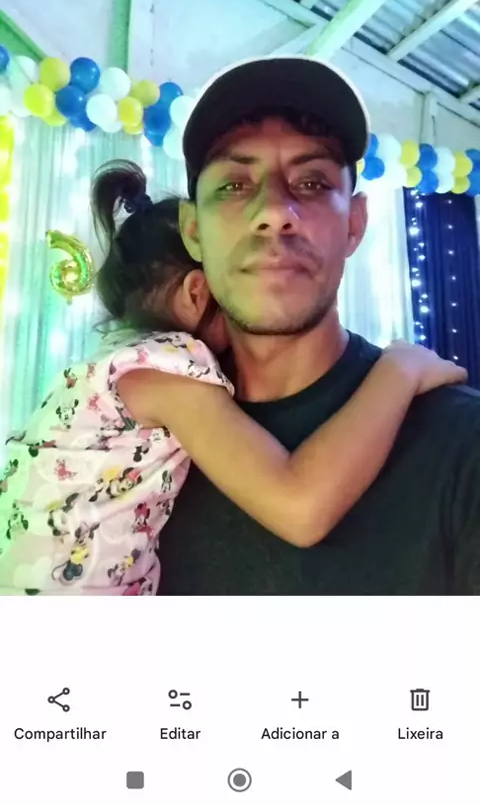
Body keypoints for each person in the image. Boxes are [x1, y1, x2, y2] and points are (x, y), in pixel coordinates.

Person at [0, 158, 464, 595]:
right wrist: (399, 370)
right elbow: (300, 506)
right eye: (237, 288)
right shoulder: (167, 370)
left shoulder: (104, 369)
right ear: (197, 291)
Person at [154, 54, 480, 595]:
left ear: (355, 223)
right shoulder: (130, 448)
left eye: (310, 182)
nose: (274, 212)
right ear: (192, 231)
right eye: (234, 186)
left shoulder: (463, 446)